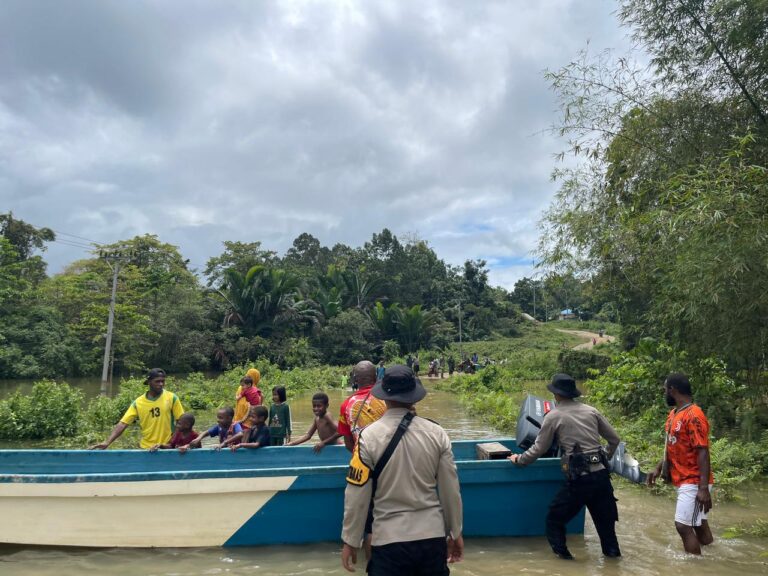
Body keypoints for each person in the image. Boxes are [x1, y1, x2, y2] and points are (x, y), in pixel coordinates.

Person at [341, 365, 463, 574]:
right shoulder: (437, 433)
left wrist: (350, 540)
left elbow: (356, 494)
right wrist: (456, 531)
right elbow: (450, 490)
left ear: (384, 397)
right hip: (431, 538)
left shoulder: (367, 438)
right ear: (414, 398)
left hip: (388, 542)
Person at [509, 373, 621, 560]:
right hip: (602, 477)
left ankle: (566, 563)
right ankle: (613, 564)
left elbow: (539, 448)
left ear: (556, 395)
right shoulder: (591, 410)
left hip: (579, 479)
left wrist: (519, 460)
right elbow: (614, 439)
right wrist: (603, 457)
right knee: (606, 530)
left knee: (554, 521)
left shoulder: (553, 416)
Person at [646, 372, 714, 555]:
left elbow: (702, 451)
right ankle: (713, 558)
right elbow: (672, 447)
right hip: (684, 479)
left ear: (672, 390)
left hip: (693, 481)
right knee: (698, 524)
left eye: (665, 390)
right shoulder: (674, 414)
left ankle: (695, 568)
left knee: (682, 526)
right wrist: (658, 468)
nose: (664, 394)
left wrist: (703, 488)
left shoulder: (694, 415)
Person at [90, 368, 185, 450]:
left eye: (162, 381)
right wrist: (107, 442)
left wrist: (172, 442)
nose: (161, 384)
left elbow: (181, 423)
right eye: (157, 381)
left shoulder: (172, 398)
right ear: (149, 382)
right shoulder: (138, 403)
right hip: (146, 448)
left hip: (166, 447)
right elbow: (123, 423)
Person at [337, 360, 387, 453]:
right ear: (376, 377)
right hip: (389, 456)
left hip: (363, 459)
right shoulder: (388, 399)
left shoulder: (346, 405)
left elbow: (348, 444)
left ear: (355, 379)